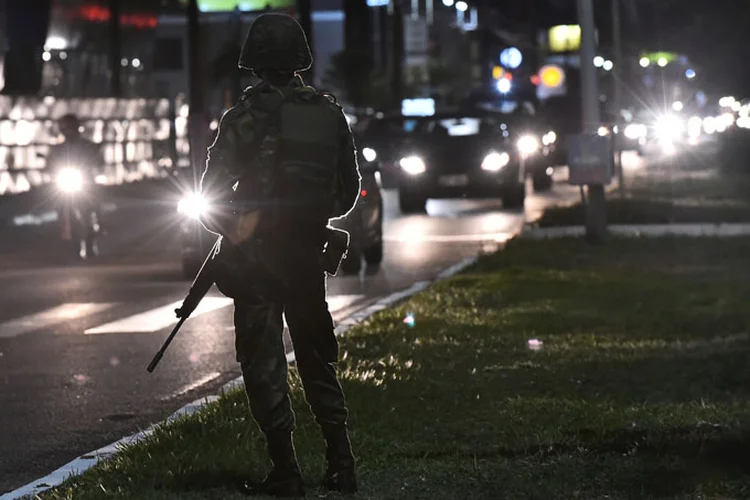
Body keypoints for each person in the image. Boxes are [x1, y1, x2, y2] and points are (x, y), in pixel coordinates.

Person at [198, 13, 361, 498]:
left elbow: (209, 194)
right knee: (317, 358)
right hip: (306, 257)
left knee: (263, 362)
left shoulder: (243, 117)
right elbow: (348, 191)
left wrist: (241, 229)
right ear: (300, 59)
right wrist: (310, 223)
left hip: (257, 264)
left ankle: (286, 470)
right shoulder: (329, 113)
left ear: (253, 63)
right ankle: (342, 463)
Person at [46, 114, 104, 256]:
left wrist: (93, 160)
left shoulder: (87, 146)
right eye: (66, 128)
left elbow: (96, 158)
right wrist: (50, 167)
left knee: (92, 204)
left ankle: (94, 233)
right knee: (60, 203)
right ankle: (71, 240)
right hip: (66, 180)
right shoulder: (57, 149)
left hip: (84, 181)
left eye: (72, 127)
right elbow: (51, 163)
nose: (69, 131)